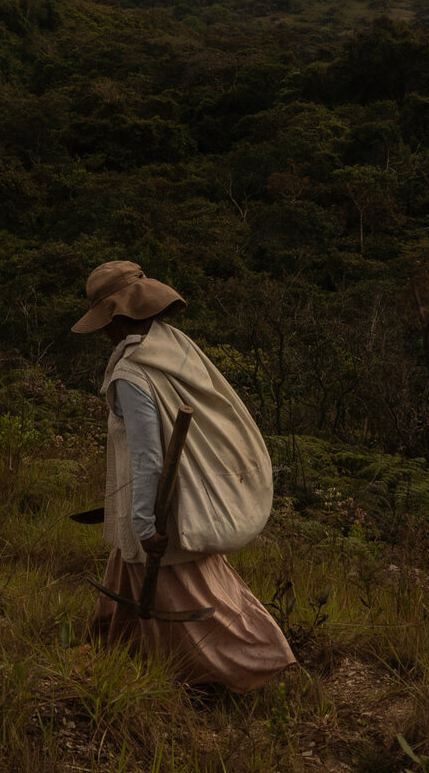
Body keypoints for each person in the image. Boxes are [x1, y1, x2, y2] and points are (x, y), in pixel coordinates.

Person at [73, 260, 294, 690]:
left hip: (161, 511)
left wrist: (143, 525)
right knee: (127, 592)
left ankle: (265, 668)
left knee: (204, 604)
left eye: (105, 320)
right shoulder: (170, 345)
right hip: (171, 502)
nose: (103, 330)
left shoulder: (133, 374)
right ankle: (112, 662)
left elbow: (148, 459)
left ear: (117, 319)